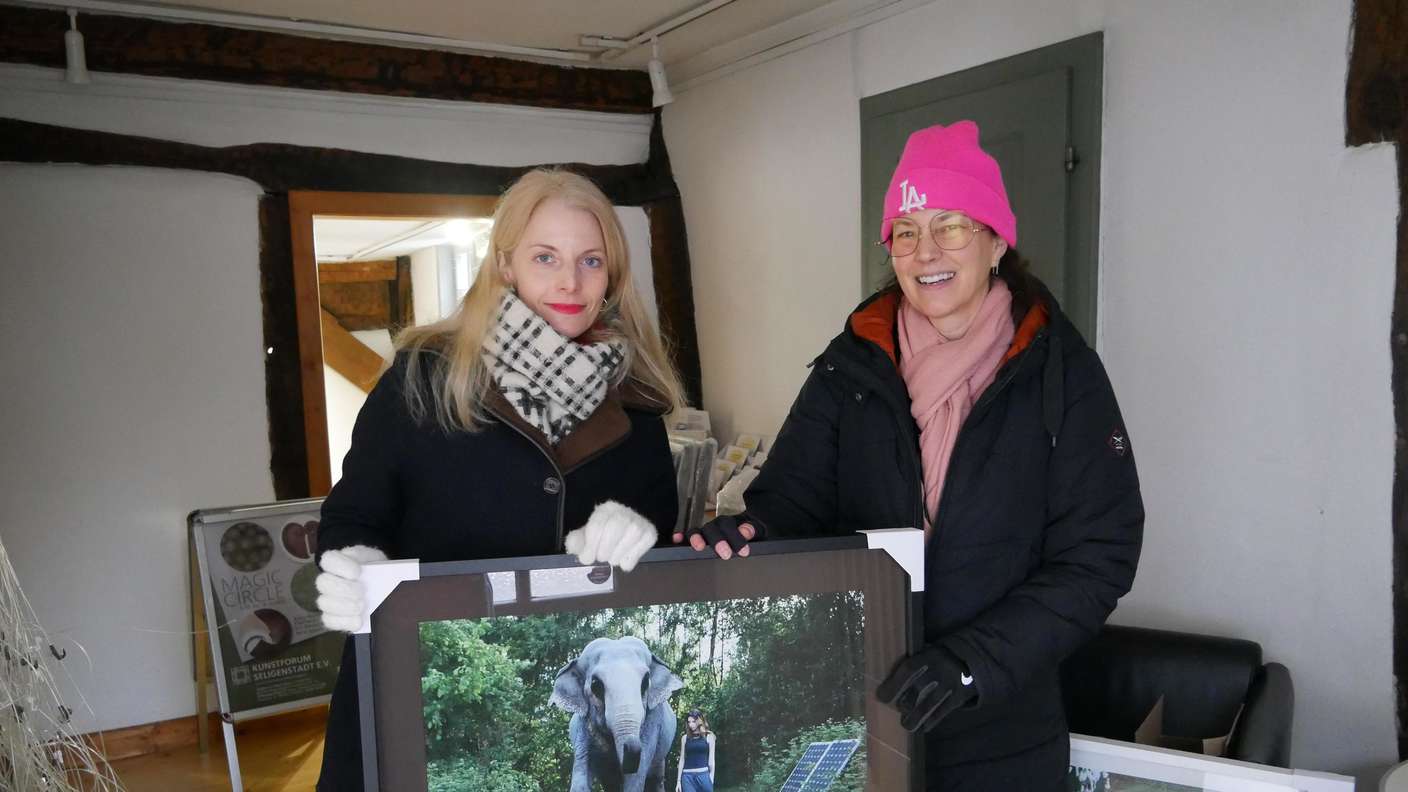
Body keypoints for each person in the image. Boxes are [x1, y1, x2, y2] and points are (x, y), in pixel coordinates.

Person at [683, 121, 1144, 790]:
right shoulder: (852, 365)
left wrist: (971, 665)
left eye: (950, 226)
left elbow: (1099, 556)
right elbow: (791, 503)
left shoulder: (1062, 376)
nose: (926, 251)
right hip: (869, 718)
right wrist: (751, 534)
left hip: (1003, 738)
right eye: (905, 231)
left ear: (996, 240)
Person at [312, 168, 687, 791]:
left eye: (591, 261)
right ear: (506, 264)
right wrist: (354, 564)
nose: (569, 282)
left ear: (612, 277)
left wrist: (639, 533)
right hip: (410, 690)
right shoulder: (422, 377)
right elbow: (352, 517)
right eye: (546, 257)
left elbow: (656, 557)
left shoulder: (640, 404)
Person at [675, 708, 716, 792]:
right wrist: (678, 781)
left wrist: (711, 778)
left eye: (693, 721)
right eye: (689, 722)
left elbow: (711, 760)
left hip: (703, 775)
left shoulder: (709, 737)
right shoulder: (685, 738)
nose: (691, 724)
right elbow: (682, 759)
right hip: (687, 777)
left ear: (699, 721)